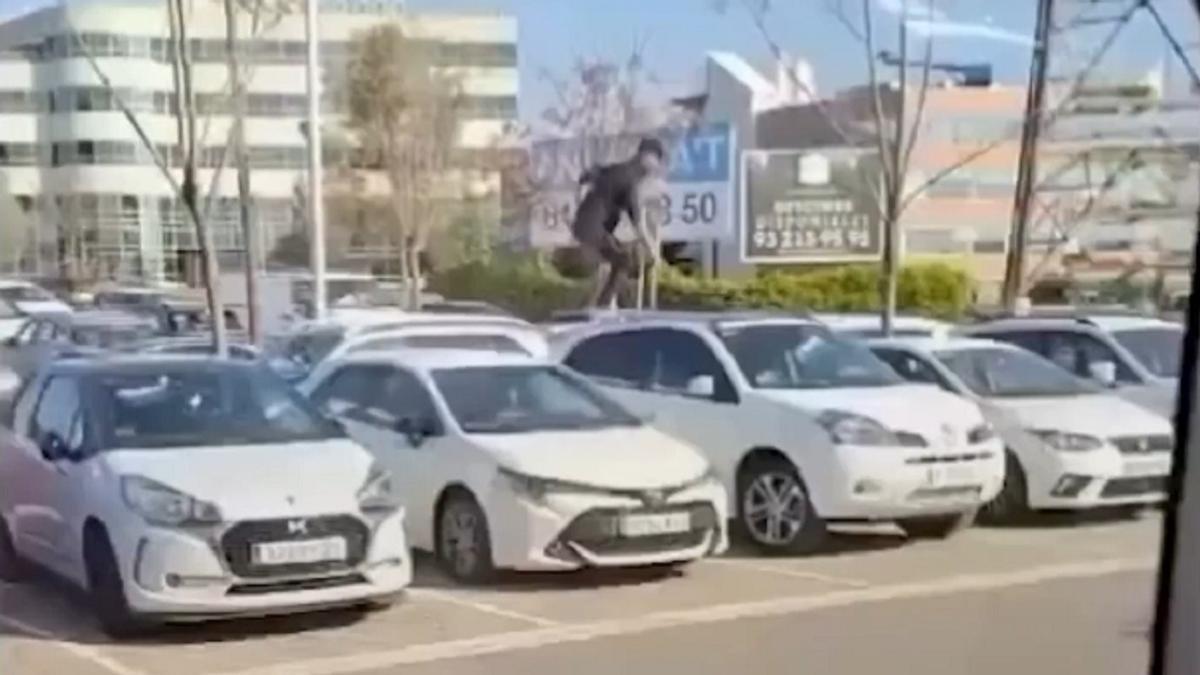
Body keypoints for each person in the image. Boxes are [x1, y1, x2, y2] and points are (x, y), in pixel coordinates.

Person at [571, 137, 666, 308]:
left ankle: (595, 302)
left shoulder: (618, 170)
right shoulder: (630, 180)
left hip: (586, 227)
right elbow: (639, 225)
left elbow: (589, 174)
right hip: (593, 230)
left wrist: (581, 200)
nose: (656, 168)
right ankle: (603, 304)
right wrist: (652, 251)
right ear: (646, 156)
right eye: (656, 161)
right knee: (624, 261)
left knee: (610, 262)